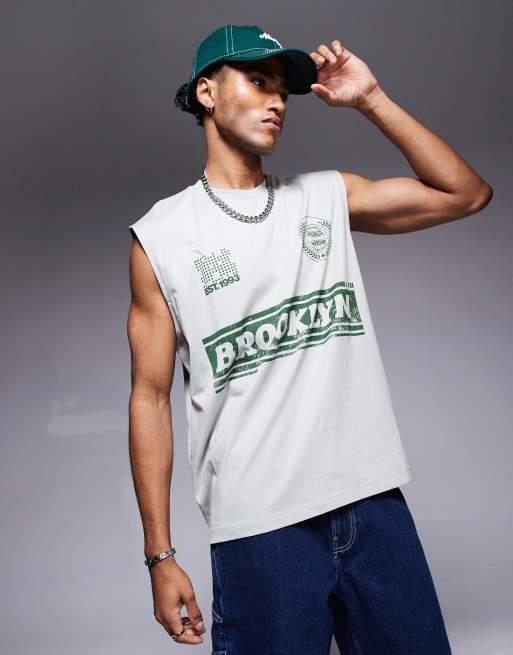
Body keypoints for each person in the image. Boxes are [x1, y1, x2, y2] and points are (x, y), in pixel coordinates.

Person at [126, 23, 492, 654]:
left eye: (283, 90)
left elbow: (465, 194)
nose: (277, 101)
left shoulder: (325, 197)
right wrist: (160, 556)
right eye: (257, 81)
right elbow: (149, 398)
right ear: (207, 93)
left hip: (371, 505)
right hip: (261, 530)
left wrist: (372, 99)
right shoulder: (162, 238)